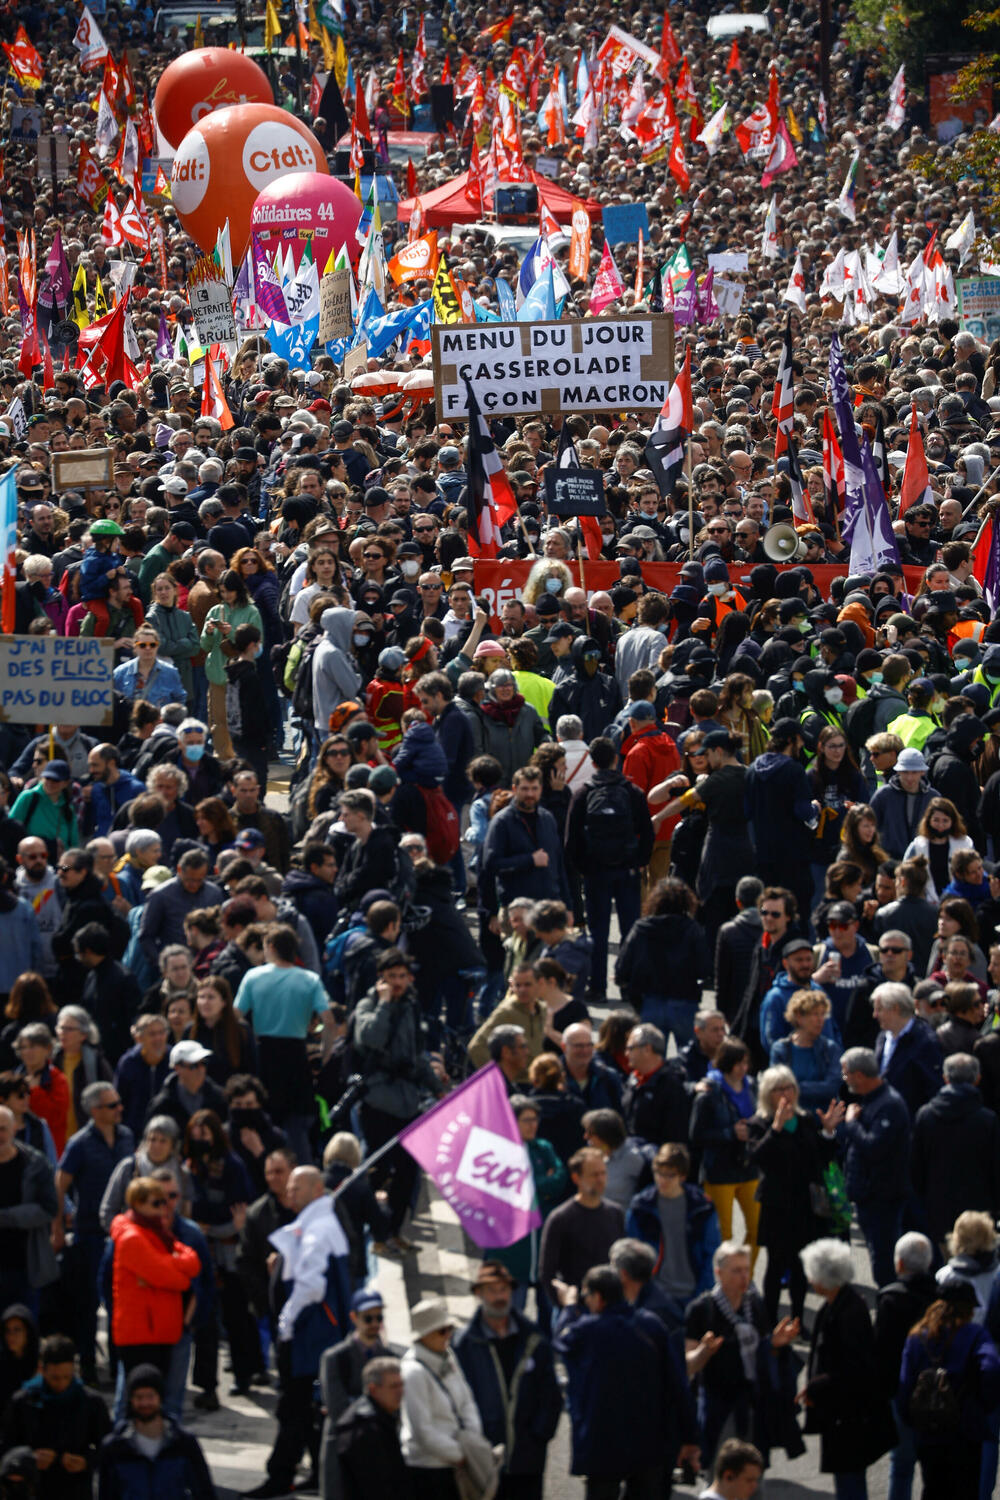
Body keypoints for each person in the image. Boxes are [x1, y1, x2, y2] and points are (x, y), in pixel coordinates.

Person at [246, 1167, 351, 1500]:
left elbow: (311, 1285)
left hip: (309, 1338)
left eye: (296, 1187)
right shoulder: (318, 1224)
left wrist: (286, 1324)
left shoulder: (319, 1229)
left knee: (296, 1406)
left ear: (317, 1189)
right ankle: (317, 1472)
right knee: (304, 1408)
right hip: (314, 1337)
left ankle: (282, 1475)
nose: (289, 1193)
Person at [553, 1263, 699, 1499]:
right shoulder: (651, 1324)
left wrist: (569, 1307)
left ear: (598, 1297)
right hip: (649, 1441)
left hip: (603, 1444)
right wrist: (690, 1436)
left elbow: (561, 1340)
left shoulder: (588, 1331)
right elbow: (677, 1383)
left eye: (586, 1295)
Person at [352, 949, 445, 1250]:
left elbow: (416, 1056)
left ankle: (392, 1231)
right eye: (390, 977)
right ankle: (366, 1231)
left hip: (407, 1102)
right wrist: (384, 1004)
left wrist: (436, 1088)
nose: (396, 982)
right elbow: (371, 1037)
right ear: (381, 979)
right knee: (377, 1169)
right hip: (378, 1101)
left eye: (401, 976)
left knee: (407, 1171)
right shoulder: (369, 1004)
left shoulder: (411, 1006)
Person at [683, 1241, 801, 1474]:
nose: (744, 1276)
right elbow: (688, 1366)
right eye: (736, 1270)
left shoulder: (754, 1305)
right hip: (720, 1408)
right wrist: (704, 1352)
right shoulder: (701, 1310)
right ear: (718, 1273)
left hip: (754, 1405)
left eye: (746, 1269)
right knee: (721, 1477)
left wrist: (775, 1345)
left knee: (753, 1480)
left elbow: (765, 1355)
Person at [451, 1262, 563, 1500]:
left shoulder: (533, 1339)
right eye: (492, 1290)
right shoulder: (463, 1346)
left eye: (503, 1290)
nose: (499, 1296)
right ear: (479, 1294)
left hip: (527, 1458)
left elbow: (550, 1394)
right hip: (483, 1460)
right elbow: (455, 1399)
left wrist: (539, 1436)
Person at [799, 1237, 897, 1500]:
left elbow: (854, 1368)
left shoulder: (848, 1311)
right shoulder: (841, 1304)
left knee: (850, 1484)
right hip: (842, 1415)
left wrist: (817, 1386)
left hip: (847, 1418)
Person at [747, 1068, 844, 1324]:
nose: (785, 1094)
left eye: (789, 1087)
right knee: (776, 1266)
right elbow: (756, 1157)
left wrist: (827, 1133)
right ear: (767, 1094)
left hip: (805, 1206)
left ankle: (798, 1319)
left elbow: (821, 1161)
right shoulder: (759, 1123)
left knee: (801, 1268)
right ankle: (769, 1321)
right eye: (778, 1089)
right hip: (776, 1206)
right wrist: (776, 1129)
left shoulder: (807, 1120)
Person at [565, 736, 653, 1000]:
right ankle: (628, 985)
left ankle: (598, 986)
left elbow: (571, 840)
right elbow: (647, 832)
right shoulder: (632, 792)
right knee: (629, 929)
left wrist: (582, 868)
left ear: (592, 762)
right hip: (627, 870)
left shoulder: (583, 793)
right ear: (616, 759)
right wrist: (639, 862)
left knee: (598, 931)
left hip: (595, 872)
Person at [900, 1281, 1000, 1500]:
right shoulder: (975, 1334)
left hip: (928, 1431)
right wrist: (985, 1404)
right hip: (965, 1430)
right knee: (966, 1489)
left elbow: (905, 1384)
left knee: (933, 1487)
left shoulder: (917, 1337)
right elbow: (992, 1368)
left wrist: (912, 1419)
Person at [107, 1176, 202, 1381]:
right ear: (138, 1204)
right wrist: (181, 1277)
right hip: (140, 1334)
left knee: (156, 1397)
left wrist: (169, 1266)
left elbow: (194, 1261)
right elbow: (168, 1276)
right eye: (156, 1202)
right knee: (140, 1398)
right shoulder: (131, 1237)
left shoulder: (157, 1231)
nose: (163, 1207)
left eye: (165, 1201)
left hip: (158, 1330)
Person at [0, 1333, 110, 1500]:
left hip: (76, 1490)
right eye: (55, 1378)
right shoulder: (22, 1402)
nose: (61, 1384)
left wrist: (86, 1461)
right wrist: (29, 1458)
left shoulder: (91, 1403)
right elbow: (7, 1447)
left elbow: (108, 1448)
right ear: (42, 1370)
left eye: (67, 1377)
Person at [625, 1142, 721, 1331]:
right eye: (659, 1173)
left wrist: (703, 1292)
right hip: (656, 1295)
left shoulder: (702, 1207)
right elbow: (633, 1254)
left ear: (683, 1176)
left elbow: (711, 1254)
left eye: (670, 1175)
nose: (663, 1180)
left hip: (694, 1293)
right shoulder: (641, 1207)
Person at [839, 1047, 913, 1287]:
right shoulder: (872, 1100)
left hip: (882, 1197)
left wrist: (851, 1124)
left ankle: (890, 1309)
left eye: (846, 1073)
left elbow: (874, 1147)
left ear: (859, 1075)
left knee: (884, 1263)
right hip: (868, 1195)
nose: (844, 1079)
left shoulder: (889, 1105)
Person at [911, 1052, 1000, 1247]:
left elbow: (916, 1168)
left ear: (945, 1079)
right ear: (977, 1079)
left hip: (936, 1209)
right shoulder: (988, 1120)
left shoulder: (925, 1115)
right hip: (978, 1214)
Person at [874, 1233, 939, 1500]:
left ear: (899, 1264)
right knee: (934, 1468)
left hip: (900, 1394)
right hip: (937, 1392)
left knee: (900, 1466)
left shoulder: (890, 1299)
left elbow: (881, 1353)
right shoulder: (940, 1296)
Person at [400, 1297, 485, 1500]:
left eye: (450, 1329)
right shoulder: (412, 1372)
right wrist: (461, 1455)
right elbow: (422, 1431)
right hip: (429, 1468)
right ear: (424, 1335)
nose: (448, 1335)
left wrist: (473, 1441)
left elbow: (466, 1401)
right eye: (442, 1331)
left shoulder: (448, 1356)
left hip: (458, 1461)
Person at [614, 876, 711, 1049]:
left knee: (651, 1062)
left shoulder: (642, 928)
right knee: (692, 1061)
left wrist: (631, 989)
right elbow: (704, 968)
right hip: (685, 1001)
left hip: (650, 1001)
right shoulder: (692, 929)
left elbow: (622, 967)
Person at [96, 1362, 216, 1500]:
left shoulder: (184, 1443)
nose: (145, 1403)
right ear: (131, 1400)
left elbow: (205, 1492)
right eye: (139, 1397)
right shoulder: (114, 1448)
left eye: (150, 1396)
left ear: (160, 1398)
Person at [318, 1287, 395, 1494]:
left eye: (379, 1318)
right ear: (354, 1317)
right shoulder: (335, 1357)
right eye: (368, 1318)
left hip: (380, 1450)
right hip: (344, 1446)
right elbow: (337, 1408)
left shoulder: (389, 1357)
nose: (375, 1324)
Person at [538, 1147, 625, 1307]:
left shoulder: (616, 1213)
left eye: (603, 1173)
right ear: (576, 1178)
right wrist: (565, 1307)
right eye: (594, 1175)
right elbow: (547, 1272)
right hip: (576, 1307)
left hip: (610, 1308)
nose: (600, 1179)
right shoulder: (560, 1218)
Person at [330, 1356, 413, 1500]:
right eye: (394, 1386)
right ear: (373, 1389)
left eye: (402, 1385)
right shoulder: (364, 1429)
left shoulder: (386, 1415)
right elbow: (376, 1486)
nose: (401, 1392)